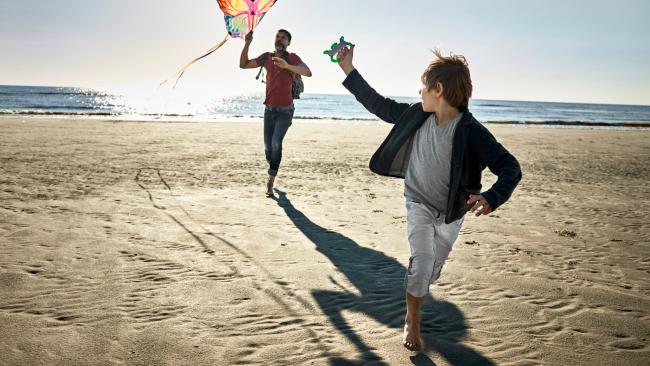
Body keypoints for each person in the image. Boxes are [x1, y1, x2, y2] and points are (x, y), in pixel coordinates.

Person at [334, 45, 522, 352]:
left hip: (450, 214)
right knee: (421, 264)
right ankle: (413, 320)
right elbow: (378, 104)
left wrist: (492, 196)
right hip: (418, 202)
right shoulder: (416, 115)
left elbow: (510, 167)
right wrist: (347, 69)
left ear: (439, 89)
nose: (419, 91)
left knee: (431, 270)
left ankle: (418, 288)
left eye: (424, 86)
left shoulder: (471, 131)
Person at [240, 29, 312, 196]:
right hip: (269, 110)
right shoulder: (267, 57)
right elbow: (243, 64)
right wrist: (247, 43)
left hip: (285, 111)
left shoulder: (292, 57)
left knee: (276, 143)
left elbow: (308, 72)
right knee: (268, 148)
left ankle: (270, 183)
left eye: (284, 38)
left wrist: (287, 66)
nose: (280, 39)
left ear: (288, 43)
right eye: (278, 36)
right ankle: (273, 165)